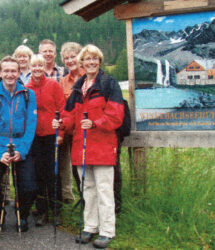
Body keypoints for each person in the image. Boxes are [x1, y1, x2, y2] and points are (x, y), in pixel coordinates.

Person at [52, 44, 124, 248]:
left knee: (104, 190)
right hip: (81, 147)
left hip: (102, 145)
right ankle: (90, 227)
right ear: (82, 63)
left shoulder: (109, 84)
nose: (91, 62)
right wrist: (61, 123)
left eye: (95, 59)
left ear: (99, 62)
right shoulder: (78, 88)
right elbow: (69, 115)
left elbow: (116, 115)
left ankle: (107, 230)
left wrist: (95, 123)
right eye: (88, 59)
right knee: (88, 189)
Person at [0, 56, 37, 233]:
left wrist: (22, 150)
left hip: (21, 144)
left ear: (18, 72)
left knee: (29, 187)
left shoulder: (28, 95)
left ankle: (23, 212)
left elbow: (31, 125)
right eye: (6, 70)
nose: (10, 74)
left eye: (13, 71)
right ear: (0, 72)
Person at [25, 54, 65, 226]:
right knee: (38, 175)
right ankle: (41, 210)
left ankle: (57, 210)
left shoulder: (53, 85)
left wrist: (61, 133)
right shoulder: (26, 88)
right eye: (34, 66)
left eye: (40, 66)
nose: (37, 69)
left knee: (53, 174)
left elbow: (62, 109)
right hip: (35, 137)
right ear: (30, 68)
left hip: (52, 136)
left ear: (44, 67)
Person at [58, 42, 84, 203]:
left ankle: (85, 198)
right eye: (66, 58)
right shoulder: (64, 81)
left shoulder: (87, 77)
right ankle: (67, 197)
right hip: (68, 130)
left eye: (73, 56)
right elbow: (62, 108)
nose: (69, 61)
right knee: (66, 166)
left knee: (82, 166)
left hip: (83, 130)